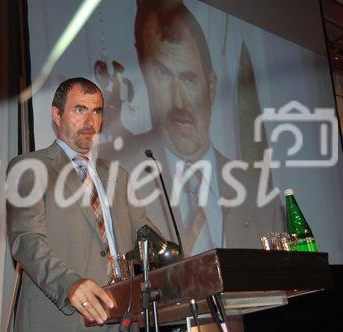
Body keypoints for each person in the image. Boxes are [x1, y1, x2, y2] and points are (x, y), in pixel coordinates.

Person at [99, 1, 283, 255]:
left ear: (211, 87)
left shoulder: (261, 197)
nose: (178, 102)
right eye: (162, 74)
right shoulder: (113, 175)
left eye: (188, 79)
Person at [6, 77, 155, 331]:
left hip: (121, 319)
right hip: (62, 319)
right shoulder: (29, 168)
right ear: (56, 114)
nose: (89, 122)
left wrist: (177, 262)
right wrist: (70, 284)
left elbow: (146, 238)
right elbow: (26, 241)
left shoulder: (119, 176)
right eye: (79, 110)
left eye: (96, 112)